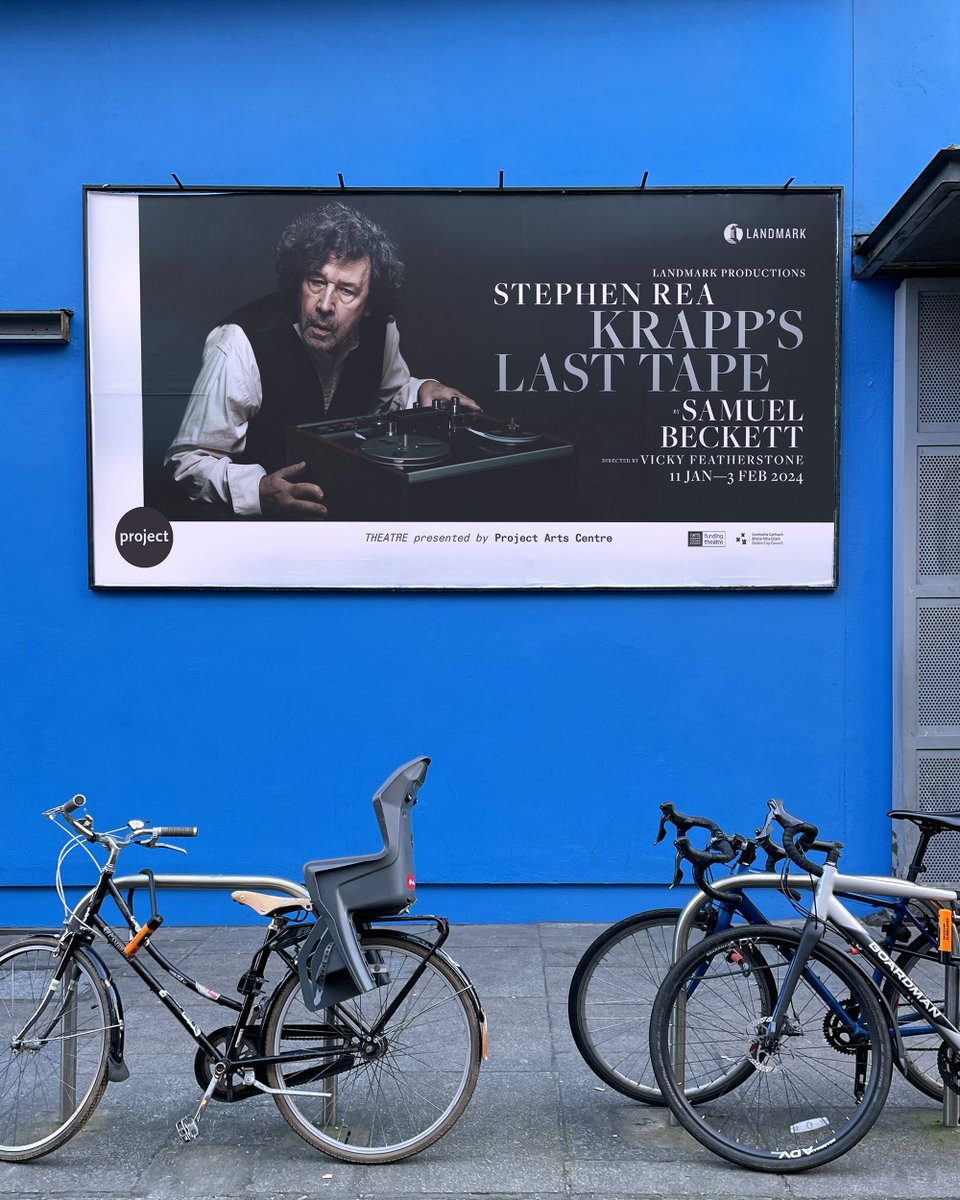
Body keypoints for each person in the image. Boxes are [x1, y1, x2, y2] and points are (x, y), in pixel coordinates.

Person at [165, 202, 476, 517]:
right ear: (298, 280)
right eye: (317, 281)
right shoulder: (239, 344)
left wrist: (423, 389)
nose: (325, 304)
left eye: (346, 291)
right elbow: (186, 463)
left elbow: (387, 395)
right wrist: (257, 491)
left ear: (370, 304)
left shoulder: (383, 331)